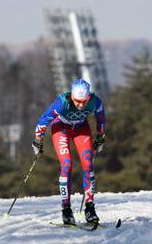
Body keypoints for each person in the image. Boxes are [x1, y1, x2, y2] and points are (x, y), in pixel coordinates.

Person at [32, 78, 106, 225]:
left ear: (89, 97)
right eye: (77, 101)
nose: (80, 105)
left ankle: (90, 209)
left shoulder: (95, 102)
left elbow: (101, 119)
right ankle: (66, 209)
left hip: (81, 128)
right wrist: (38, 140)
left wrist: (101, 136)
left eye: (83, 101)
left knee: (88, 164)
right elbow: (43, 120)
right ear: (72, 96)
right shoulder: (63, 102)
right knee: (66, 165)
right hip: (61, 128)